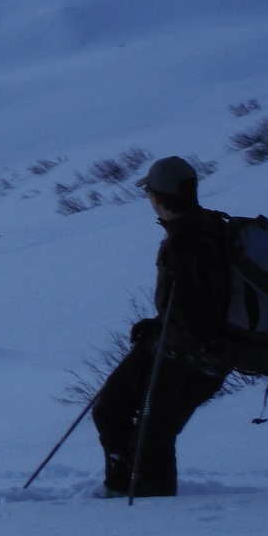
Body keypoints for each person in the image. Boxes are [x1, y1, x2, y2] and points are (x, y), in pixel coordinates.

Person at [91, 156, 233, 497]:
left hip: (191, 360)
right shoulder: (210, 227)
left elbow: (200, 318)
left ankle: (151, 510)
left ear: (157, 197)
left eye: (149, 193)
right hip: (179, 349)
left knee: (151, 437)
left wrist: (168, 322)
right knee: (112, 409)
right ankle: (123, 487)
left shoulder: (187, 242)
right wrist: (157, 324)